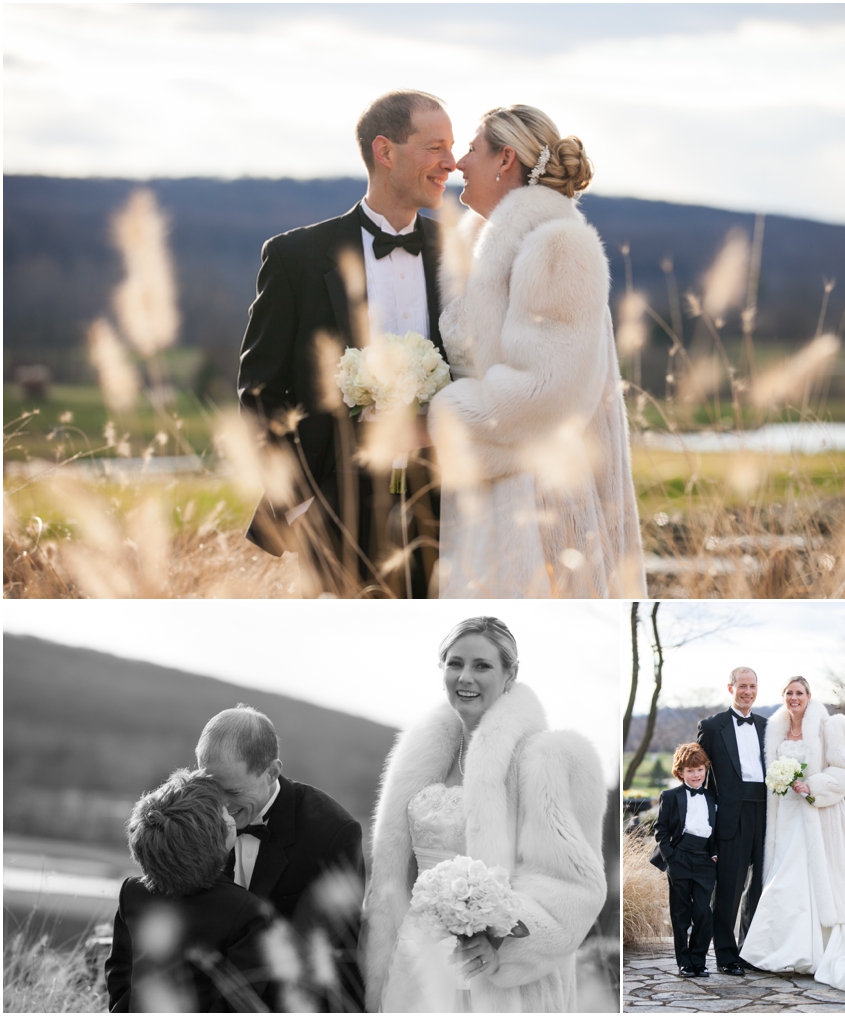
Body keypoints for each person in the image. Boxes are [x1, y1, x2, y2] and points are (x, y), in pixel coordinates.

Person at [237, 89, 455, 596]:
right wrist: (298, 500)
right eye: (435, 147)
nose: (451, 162)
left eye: (452, 147)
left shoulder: (462, 255)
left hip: (449, 504)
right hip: (334, 508)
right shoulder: (296, 257)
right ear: (385, 152)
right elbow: (260, 389)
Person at [427, 104, 645, 598]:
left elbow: (544, 396)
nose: (458, 163)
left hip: (538, 516)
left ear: (506, 160)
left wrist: (439, 418)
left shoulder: (557, 246)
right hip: (491, 502)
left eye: (471, 149)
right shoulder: (491, 249)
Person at [363, 616, 606, 1012]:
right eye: (455, 663)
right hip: (415, 958)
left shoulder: (543, 759)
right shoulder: (422, 760)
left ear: (510, 675)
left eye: (482, 666)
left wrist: (503, 947)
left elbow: (574, 887)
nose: (465, 678)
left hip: (497, 975)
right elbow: (396, 874)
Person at [196, 704, 366, 1012]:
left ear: (271, 772)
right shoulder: (193, 814)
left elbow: (334, 953)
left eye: (233, 792)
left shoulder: (334, 834)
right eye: (210, 787)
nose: (220, 805)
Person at [740, 678, 845, 992]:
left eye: (799, 693)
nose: (794, 698)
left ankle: (810, 952)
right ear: (783, 697)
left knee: (795, 878)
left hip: (816, 816)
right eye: (789, 693)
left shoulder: (831, 726)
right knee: (788, 880)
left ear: (809, 696)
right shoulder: (774, 730)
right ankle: (784, 952)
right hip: (784, 817)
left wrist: (813, 785)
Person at [106, 769, 275, 1013]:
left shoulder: (132, 892)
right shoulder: (247, 913)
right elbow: (238, 1005)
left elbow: (119, 976)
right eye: (223, 812)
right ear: (216, 834)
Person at [696, 666, 766, 975]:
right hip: (730, 816)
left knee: (761, 886)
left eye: (752, 686)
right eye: (742, 686)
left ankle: (749, 949)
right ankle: (726, 954)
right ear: (730, 688)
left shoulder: (768, 726)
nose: (747, 691)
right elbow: (697, 771)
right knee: (729, 887)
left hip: (766, 812)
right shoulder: (711, 727)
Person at [650, 743, 717, 979]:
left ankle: (699, 959)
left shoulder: (712, 796)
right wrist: (672, 858)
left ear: (706, 769)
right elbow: (661, 830)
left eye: (699, 769)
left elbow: (717, 829)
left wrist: (714, 854)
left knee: (703, 913)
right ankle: (685, 962)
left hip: (705, 860)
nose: (696, 775)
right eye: (690, 771)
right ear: (680, 773)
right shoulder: (670, 796)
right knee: (680, 913)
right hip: (680, 857)